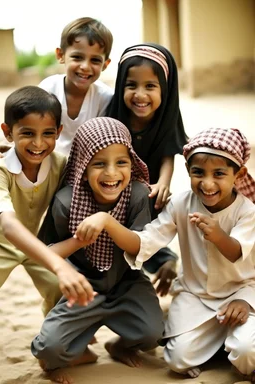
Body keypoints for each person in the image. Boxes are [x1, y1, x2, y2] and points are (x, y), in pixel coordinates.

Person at [74, 127, 255, 382]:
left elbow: (237, 252)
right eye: (198, 172)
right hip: (196, 297)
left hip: (241, 295)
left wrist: (218, 236)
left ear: (239, 174)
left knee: (248, 354)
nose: (207, 183)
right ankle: (219, 343)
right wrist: (108, 222)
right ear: (188, 172)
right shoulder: (181, 203)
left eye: (219, 174)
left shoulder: (247, 211)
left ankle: (231, 342)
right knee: (178, 362)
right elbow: (146, 242)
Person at [31, 117, 164, 384]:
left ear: (131, 162)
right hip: (84, 286)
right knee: (49, 348)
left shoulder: (137, 194)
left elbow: (140, 246)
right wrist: (78, 241)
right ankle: (74, 352)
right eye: (99, 163)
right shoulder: (66, 201)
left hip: (127, 282)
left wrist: (106, 221)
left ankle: (119, 346)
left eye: (121, 162)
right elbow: (46, 252)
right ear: (83, 165)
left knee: (154, 333)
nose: (112, 173)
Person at [0, 85, 96, 315]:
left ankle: (60, 336)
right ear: (8, 132)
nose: (38, 143)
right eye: (27, 133)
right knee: (62, 273)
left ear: (59, 131)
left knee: (65, 291)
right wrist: (59, 265)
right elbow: (9, 225)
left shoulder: (61, 164)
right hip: (2, 245)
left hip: (35, 244)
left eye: (48, 133)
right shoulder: (2, 170)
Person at [107, 43, 188, 294]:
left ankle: (161, 261)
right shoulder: (114, 116)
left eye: (150, 86)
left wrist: (164, 182)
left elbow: (168, 152)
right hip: (115, 185)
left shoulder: (167, 116)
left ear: (165, 88)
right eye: (131, 85)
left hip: (148, 190)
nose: (140, 95)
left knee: (145, 222)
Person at [39, 16, 113, 155]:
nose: (85, 66)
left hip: (86, 167)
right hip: (46, 161)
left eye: (95, 60)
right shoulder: (48, 88)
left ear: (105, 64)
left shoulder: (105, 97)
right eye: (77, 57)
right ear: (60, 55)